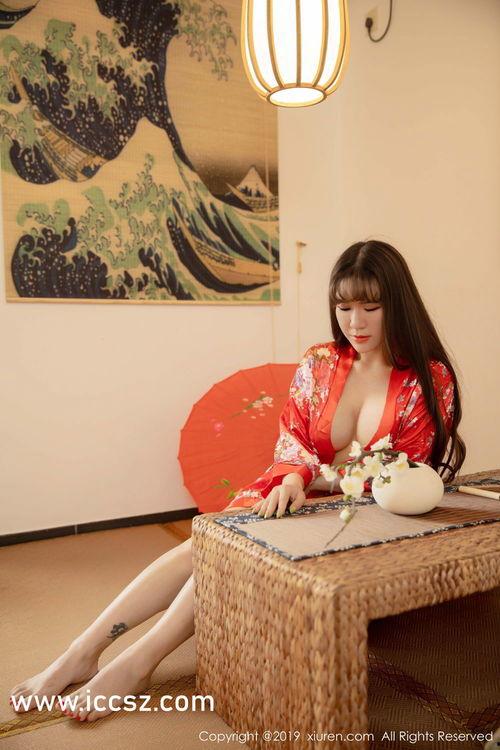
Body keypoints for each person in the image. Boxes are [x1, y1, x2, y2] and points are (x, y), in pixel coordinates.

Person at [9, 240, 465, 722]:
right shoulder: (320, 362)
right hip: (291, 493)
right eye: (344, 307)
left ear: (398, 303)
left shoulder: (429, 379)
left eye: (371, 308)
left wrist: (315, 480)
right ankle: (82, 652)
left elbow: (398, 472)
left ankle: (137, 662)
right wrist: (294, 478)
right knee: (202, 545)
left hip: (359, 516)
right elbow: (293, 438)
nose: (356, 323)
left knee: (227, 552)